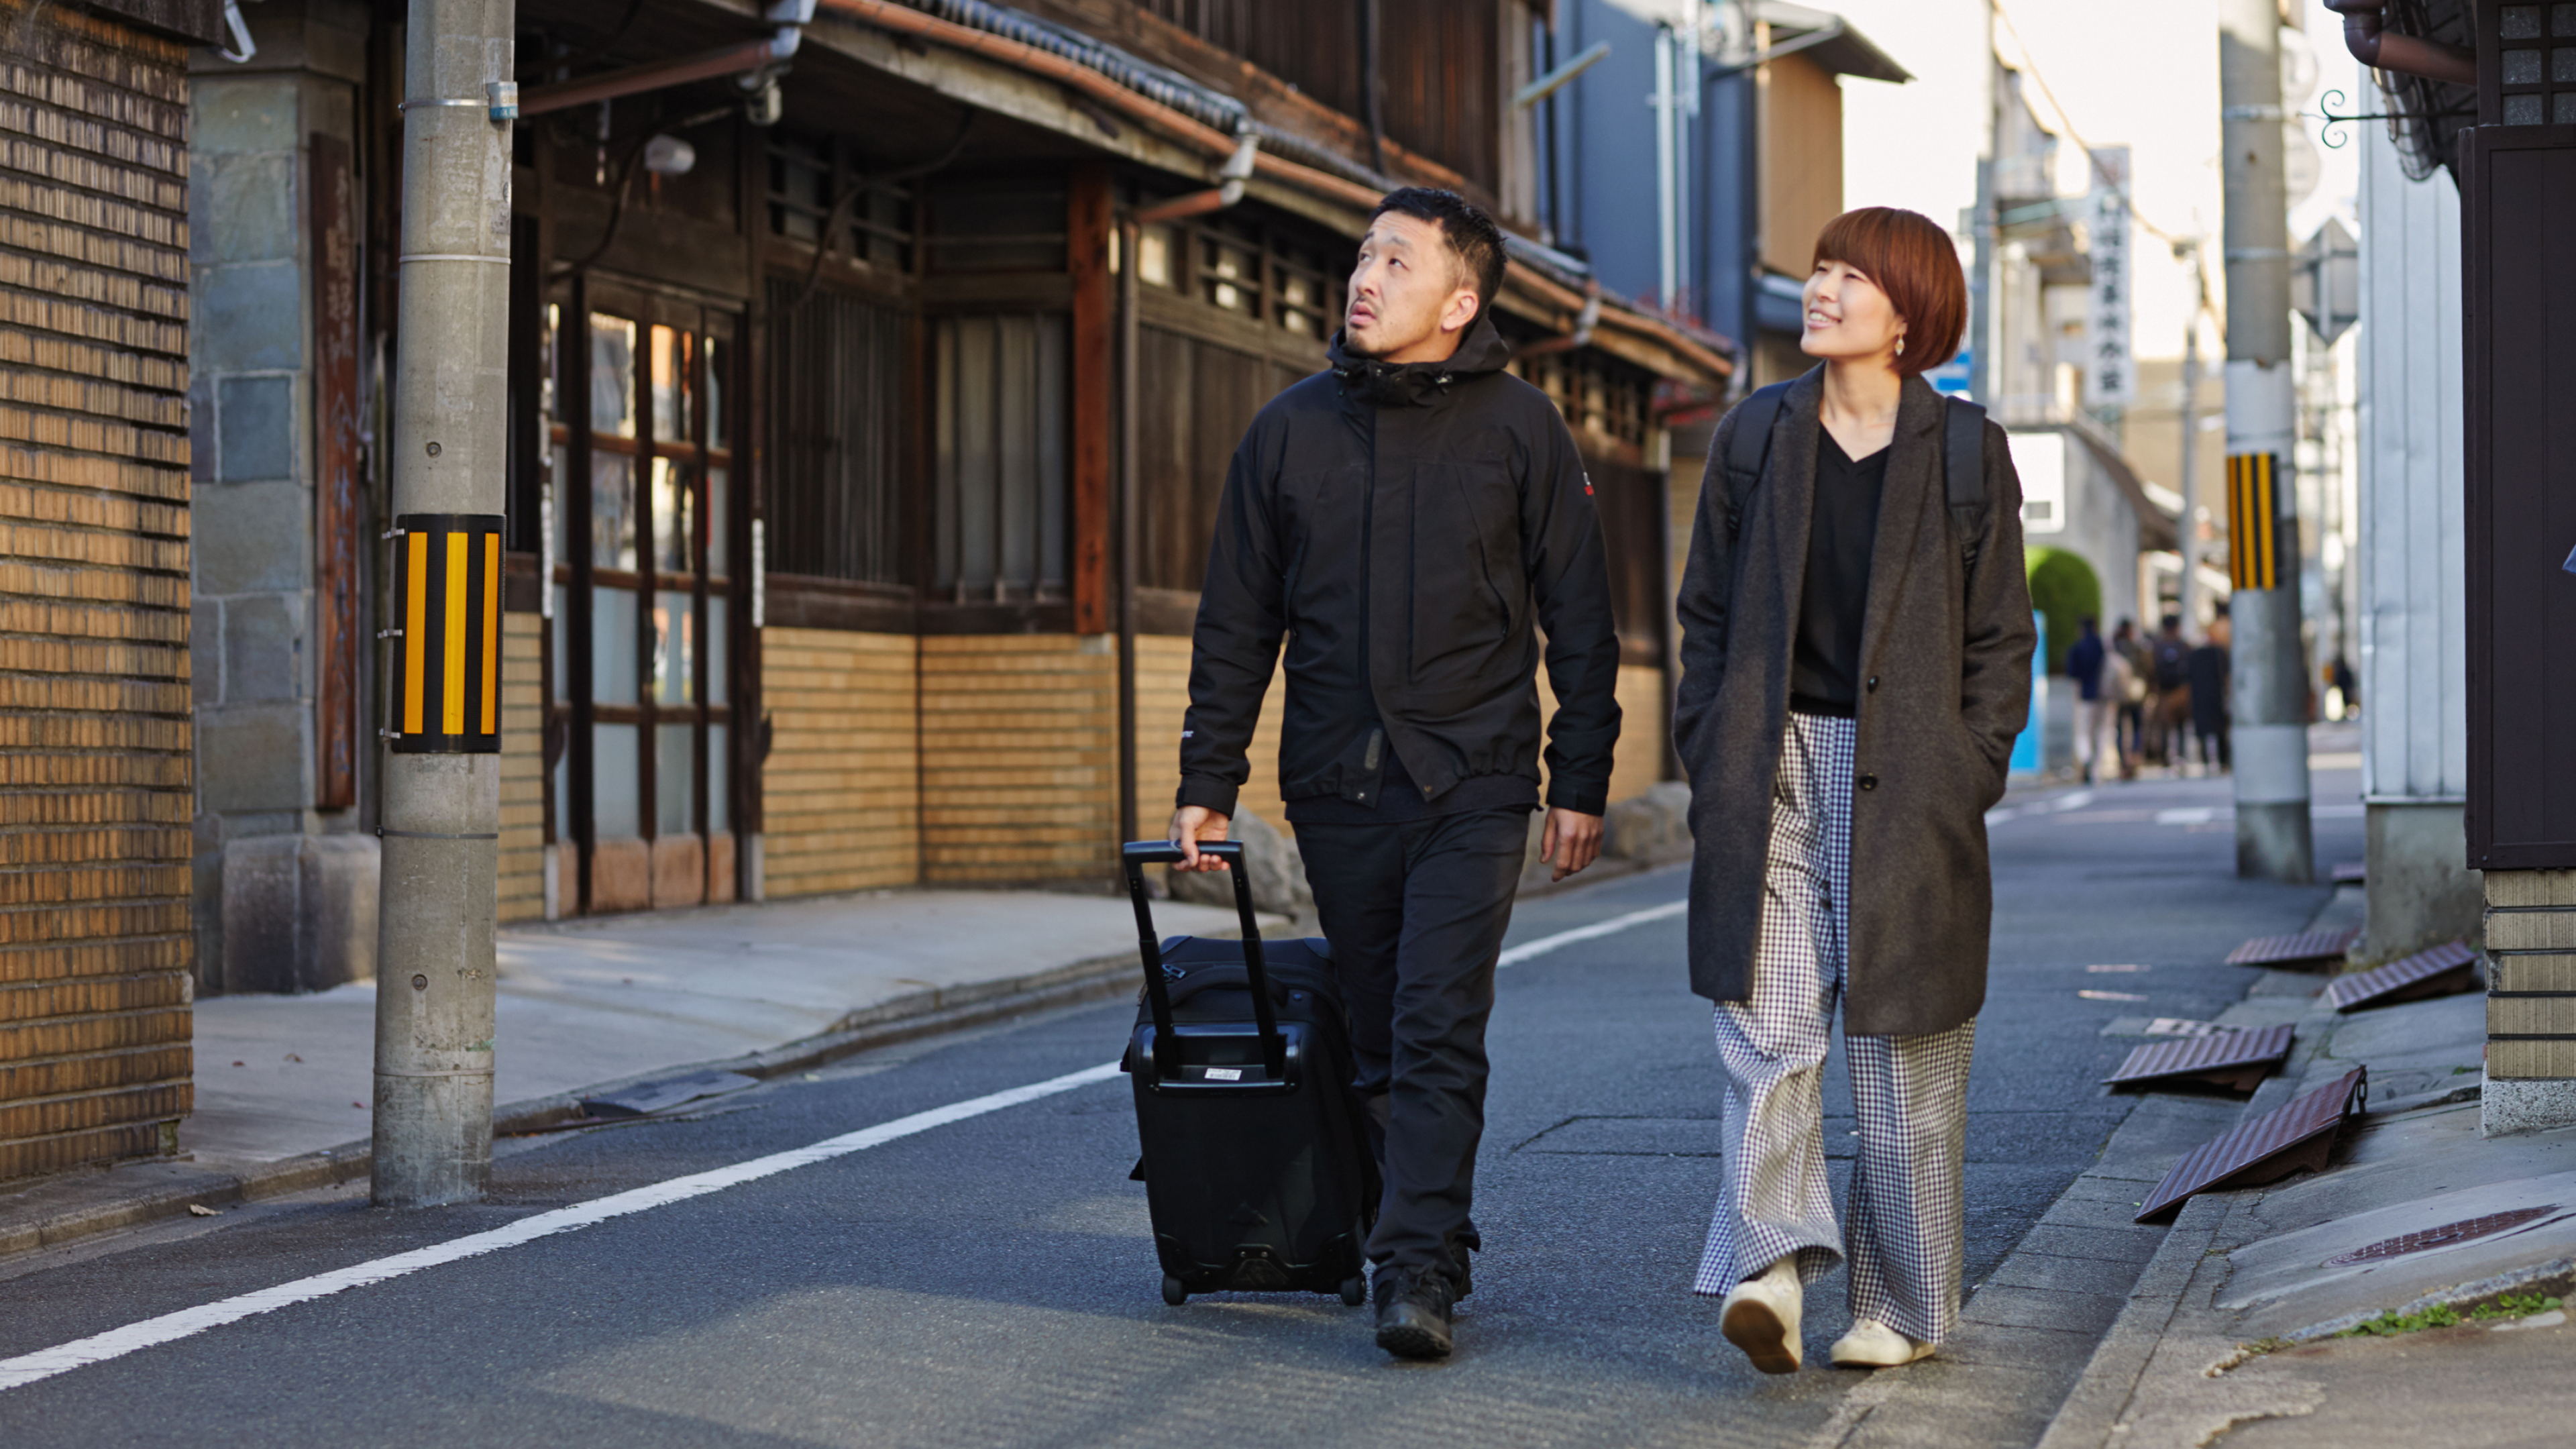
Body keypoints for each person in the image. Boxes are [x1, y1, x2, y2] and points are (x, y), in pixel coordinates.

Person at [1167, 188, 1621, 1362]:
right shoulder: (1288, 431)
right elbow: (1236, 622)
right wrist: (1207, 778)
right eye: (1364, 255)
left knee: (1434, 1023)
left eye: (1397, 261)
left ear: (1459, 301)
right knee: (1372, 1028)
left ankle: (1418, 1266)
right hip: (1335, 784)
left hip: (1474, 782)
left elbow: (1581, 617)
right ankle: (1397, 1225)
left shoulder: (1525, 430)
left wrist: (1580, 774)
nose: (1364, 276)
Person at [1672, 207, 2034, 1373]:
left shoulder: (1969, 452)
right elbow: (1707, 616)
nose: (1819, 290)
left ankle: (1903, 1308)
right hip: (1769, 762)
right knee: (1767, 1028)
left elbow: (2001, 638)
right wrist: (1711, 739)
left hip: (1913, 778)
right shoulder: (1753, 438)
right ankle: (1770, 1267)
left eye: (1848, 276)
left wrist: (1968, 768)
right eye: (1820, 270)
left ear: (1909, 314)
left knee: (1902, 1054)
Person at [2065, 616, 2108, 784]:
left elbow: (2072, 674)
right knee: (2100, 732)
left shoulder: (2077, 648)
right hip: (2102, 695)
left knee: (2083, 733)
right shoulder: (2101, 646)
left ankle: (2085, 760)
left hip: (2084, 696)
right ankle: (2097, 769)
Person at [2188, 608, 2232, 771]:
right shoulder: (2219, 653)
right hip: (2214, 696)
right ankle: (2220, 761)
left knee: (2208, 730)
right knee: (2217, 729)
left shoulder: (2198, 654)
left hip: (2203, 696)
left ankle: (2210, 761)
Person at [2149, 615, 2192, 768]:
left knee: (2164, 725)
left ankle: (2165, 758)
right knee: (2180, 725)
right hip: (2180, 690)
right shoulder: (2184, 645)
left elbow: (2153, 669)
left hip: (2165, 692)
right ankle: (2180, 756)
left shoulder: (2157, 646)